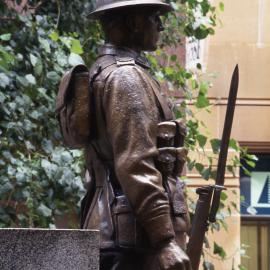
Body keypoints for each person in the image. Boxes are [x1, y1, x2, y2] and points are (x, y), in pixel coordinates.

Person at [80, 1, 192, 269]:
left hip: (121, 233)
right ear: (133, 22)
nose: (161, 26)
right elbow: (135, 164)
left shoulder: (105, 71)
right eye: (154, 17)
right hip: (131, 239)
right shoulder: (126, 77)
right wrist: (164, 241)